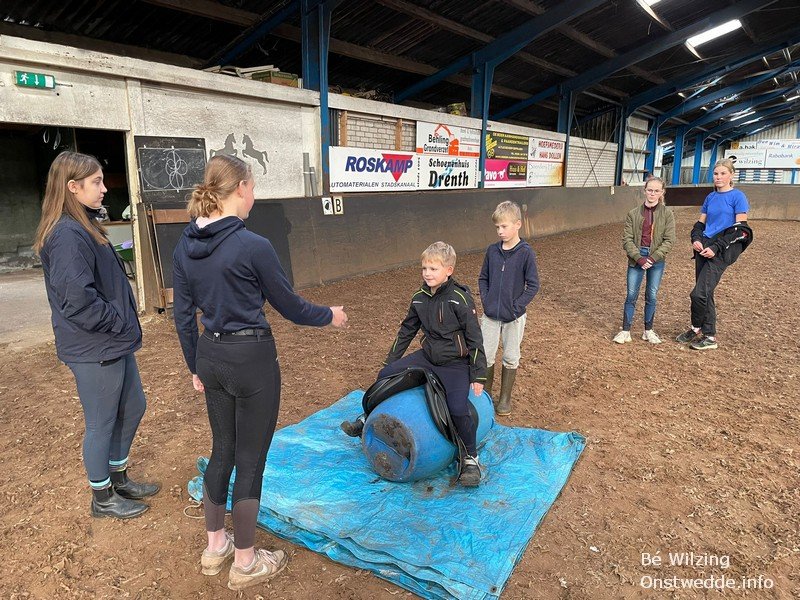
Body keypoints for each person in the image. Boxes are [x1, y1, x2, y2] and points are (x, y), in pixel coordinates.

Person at [172, 154, 348, 591]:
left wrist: (195, 365)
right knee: (250, 460)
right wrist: (330, 315)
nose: (254, 195)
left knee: (222, 450)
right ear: (240, 189)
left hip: (211, 355)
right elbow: (291, 306)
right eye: (252, 187)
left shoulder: (184, 245)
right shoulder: (253, 246)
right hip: (250, 359)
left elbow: (182, 316)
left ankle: (216, 547)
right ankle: (246, 562)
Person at [33, 151, 160, 520]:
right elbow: (77, 300)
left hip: (110, 341)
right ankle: (102, 497)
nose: (104, 189)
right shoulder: (67, 234)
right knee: (102, 421)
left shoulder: (83, 225)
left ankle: (118, 478)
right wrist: (117, 321)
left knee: (132, 406)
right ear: (73, 187)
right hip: (94, 345)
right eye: (96, 182)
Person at [341, 242, 487, 486]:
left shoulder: (459, 299)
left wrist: (478, 374)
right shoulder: (419, 298)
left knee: (457, 408)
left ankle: (470, 458)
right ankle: (368, 418)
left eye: (433, 269)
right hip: (427, 357)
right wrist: (390, 361)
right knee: (385, 375)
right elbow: (407, 331)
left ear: (448, 270)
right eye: (424, 268)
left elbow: (475, 338)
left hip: (454, 364)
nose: (427, 273)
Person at [676, 159, 753, 350]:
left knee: (698, 294)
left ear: (731, 175)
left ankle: (705, 333)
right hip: (704, 247)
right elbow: (701, 223)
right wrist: (696, 238)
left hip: (721, 249)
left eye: (723, 173)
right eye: (716, 173)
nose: (718, 177)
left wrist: (716, 247)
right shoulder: (710, 197)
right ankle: (702, 331)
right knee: (706, 292)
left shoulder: (738, 197)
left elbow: (740, 229)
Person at [478, 201, 540, 416]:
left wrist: (517, 306)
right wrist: (486, 301)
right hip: (491, 316)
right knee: (486, 354)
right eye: (497, 227)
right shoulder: (492, 251)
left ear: (517, 224)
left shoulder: (526, 253)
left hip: (514, 317)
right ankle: (486, 395)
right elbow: (483, 278)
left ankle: (504, 398)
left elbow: (533, 285)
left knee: (511, 356)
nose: (500, 231)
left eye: (504, 226)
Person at [613, 176, 675, 345]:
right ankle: (625, 331)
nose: (652, 193)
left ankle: (648, 330)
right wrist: (639, 258)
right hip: (637, 258)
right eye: (650, 190)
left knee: (652, 295)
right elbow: (627, 239)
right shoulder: (633, 214)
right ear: (645, 191)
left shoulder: (667, 214)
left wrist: (653, 258)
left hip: (656, 259)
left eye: (656, 191)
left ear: (662, 192)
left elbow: (669, 240)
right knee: (631, 294)